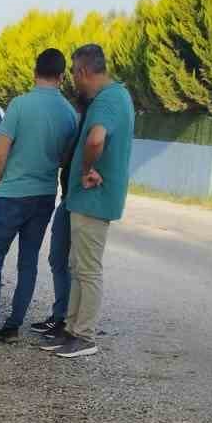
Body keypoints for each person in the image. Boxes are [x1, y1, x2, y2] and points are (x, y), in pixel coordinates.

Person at [0, 48, 77, 346]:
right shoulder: (68, 113)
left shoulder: (20, 105)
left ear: (34, 72)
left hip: (12, 194)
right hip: (44, 196)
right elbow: (65, 157)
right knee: (28, 262)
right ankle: (12, 328)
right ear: (62, 77)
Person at [34, 43, 134, 360]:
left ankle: (84, 335)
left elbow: (95, 138)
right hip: (85, 199)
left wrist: (89, 168)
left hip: (94, 198)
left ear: (83, 72)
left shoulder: (108, 100)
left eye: (75, 76)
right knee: (78, 266)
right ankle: (72, 329)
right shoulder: (113, 97)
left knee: (87, 269)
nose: (74, 83)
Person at [28, 94, 87, 340]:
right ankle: (60, 315)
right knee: (57, 258)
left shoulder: (88, 127)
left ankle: (69, 320)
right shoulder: (78, 126)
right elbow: (65, 159)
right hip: (66, 199)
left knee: (73, 263)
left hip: (78, 201)